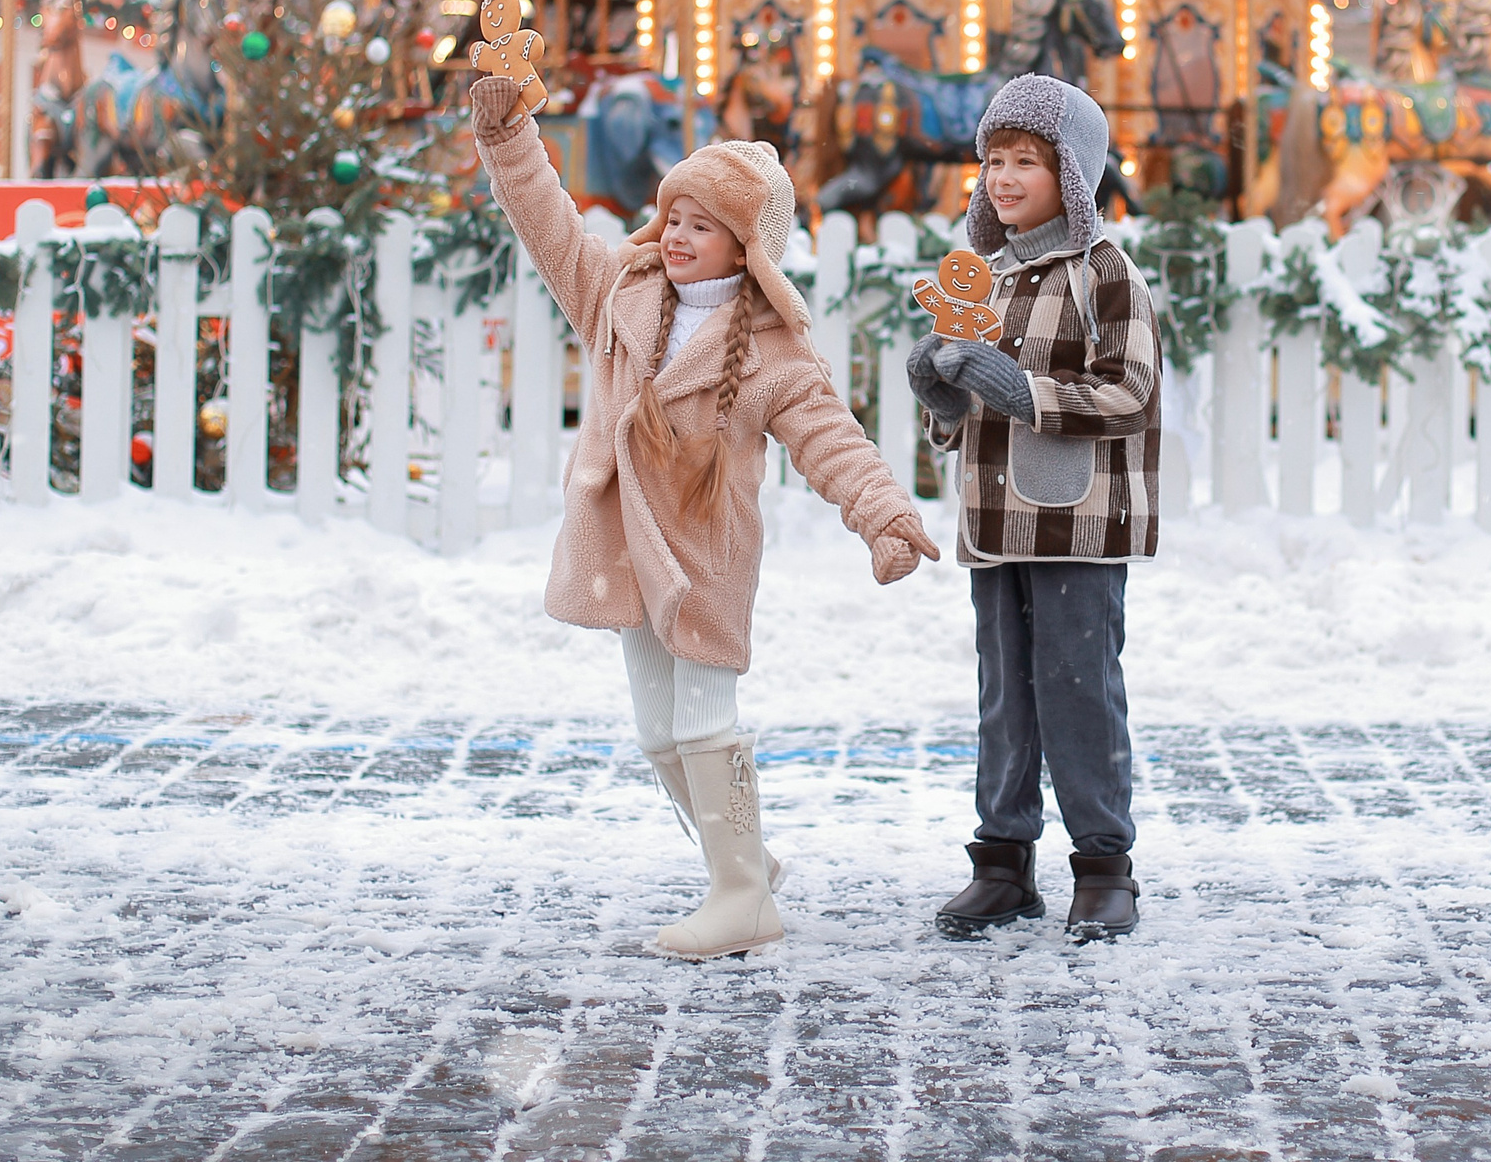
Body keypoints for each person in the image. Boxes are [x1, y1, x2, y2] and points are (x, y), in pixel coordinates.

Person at [470, 72, 941, 960]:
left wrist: (882, 515)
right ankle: (750, 859)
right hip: (626, 547)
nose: (678, 235)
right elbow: (548, 223)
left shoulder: (772, 352)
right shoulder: (619, 293)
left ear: (745, 249)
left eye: (702, 224)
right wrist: (508, 137)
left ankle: (740, 895)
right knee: (658, 734)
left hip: (705, 556)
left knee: (702, 722)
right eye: (673, 216)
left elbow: (831, 439)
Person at [907, 75, 1161, 943]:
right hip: (995, 520)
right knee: (1004, 693)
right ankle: (1003, 862)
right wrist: (940, 397)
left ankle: (1103, 864)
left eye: (1026, 162)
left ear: (1075, 175)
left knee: (1077, 687)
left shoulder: (1102, 273)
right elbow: (965, 414)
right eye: (992, 161)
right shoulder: (984, 279)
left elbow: (1131, 394)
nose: (1002, 179)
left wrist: (1026, 391)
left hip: (1076, 522)